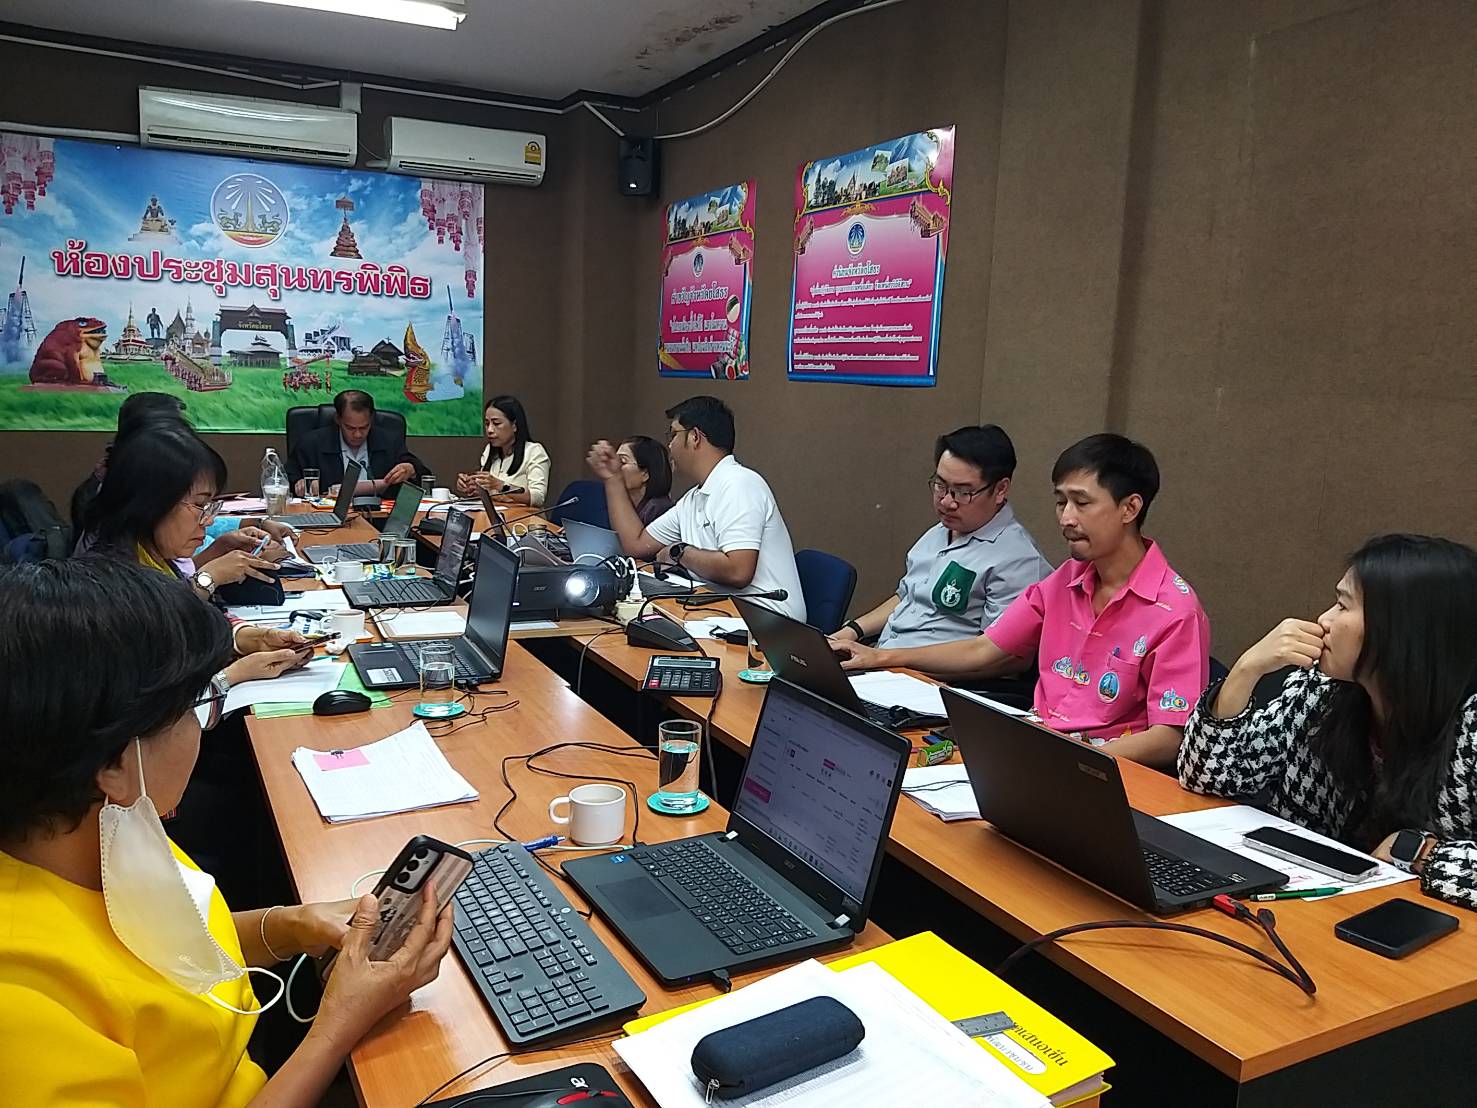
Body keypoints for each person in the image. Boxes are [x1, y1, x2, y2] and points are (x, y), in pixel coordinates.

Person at [0, 558, 454, 1105]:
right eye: (190, 709)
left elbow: (161, 946)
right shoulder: (22, 1005)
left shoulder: (103, 828)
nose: (199, 728)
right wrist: (340, 1026)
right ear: (115, 764)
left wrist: (290, 925)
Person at [834, 434, 1208, 769]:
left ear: (1130, 509)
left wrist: (1067, 757)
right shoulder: (1065, 581)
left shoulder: (1174, 609)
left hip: (1101, 772)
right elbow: (984, 649)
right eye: (1061, 502)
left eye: (1082, 503)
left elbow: (1170, 737)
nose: (1066, 518)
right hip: (1032, 749)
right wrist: (880, 657)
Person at [1180, 534, 1477, 910]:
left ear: (1402, 629)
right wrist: (1246, 669)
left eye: (1342, 605)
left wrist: (1418, 852)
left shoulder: (1470, 727)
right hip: (1311, 909)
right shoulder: (1321, 689)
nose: (1325, 620)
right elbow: (1207, 777)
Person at [85, 424, 306, 686]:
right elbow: (156, 708)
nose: (208, 521)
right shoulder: (110, 586)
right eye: (200, 505)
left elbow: (202, 620)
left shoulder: (154, 556)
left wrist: (249, 638)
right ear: (151, 502)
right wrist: (233, 676)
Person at [587, 395, 806, 621]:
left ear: (695, 437)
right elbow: (635, 544)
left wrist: (680, 551)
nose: (669, 446)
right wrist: (613, 479)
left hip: (767, 624)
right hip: (722, 613)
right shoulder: (694, 498)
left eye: (673, 435)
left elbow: (738, 570)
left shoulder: (739, 484)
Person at [831, 425, 1051, 649]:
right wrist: (851, 632)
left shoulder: (1019, 560)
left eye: (963, 492)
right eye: (940, 485)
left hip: (931, 677)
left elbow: (998, 657)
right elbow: (907, 596)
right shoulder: (939, 532)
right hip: (886, 659)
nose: (946, 501)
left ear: (1000, 489)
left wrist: (883, 659)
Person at [286, 389, 421, 499]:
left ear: (372, 419)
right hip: (328, 520)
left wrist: (411, 469)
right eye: (350, 428)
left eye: (364, 427)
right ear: (338, 420)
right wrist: (299, 484)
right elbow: (287, 478)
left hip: (380, 518)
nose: (358, 435)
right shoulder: (311, 443)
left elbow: (422, 476)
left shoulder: (390, 441)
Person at [456, 395, 551, 508]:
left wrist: (501, 486)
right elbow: (490, 495)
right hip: (496, 517)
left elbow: (538, 498)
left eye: (496, 423)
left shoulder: (534, 451)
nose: (490, 430)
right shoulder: (489, 451)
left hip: (525, 521)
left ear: (514, 425)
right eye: (487, 424)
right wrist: (471, 487)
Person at [617, 434, 675, 526]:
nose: (615, 467)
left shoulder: (659, 509)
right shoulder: (622, 505)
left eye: (623, 461)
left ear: (645, 474)